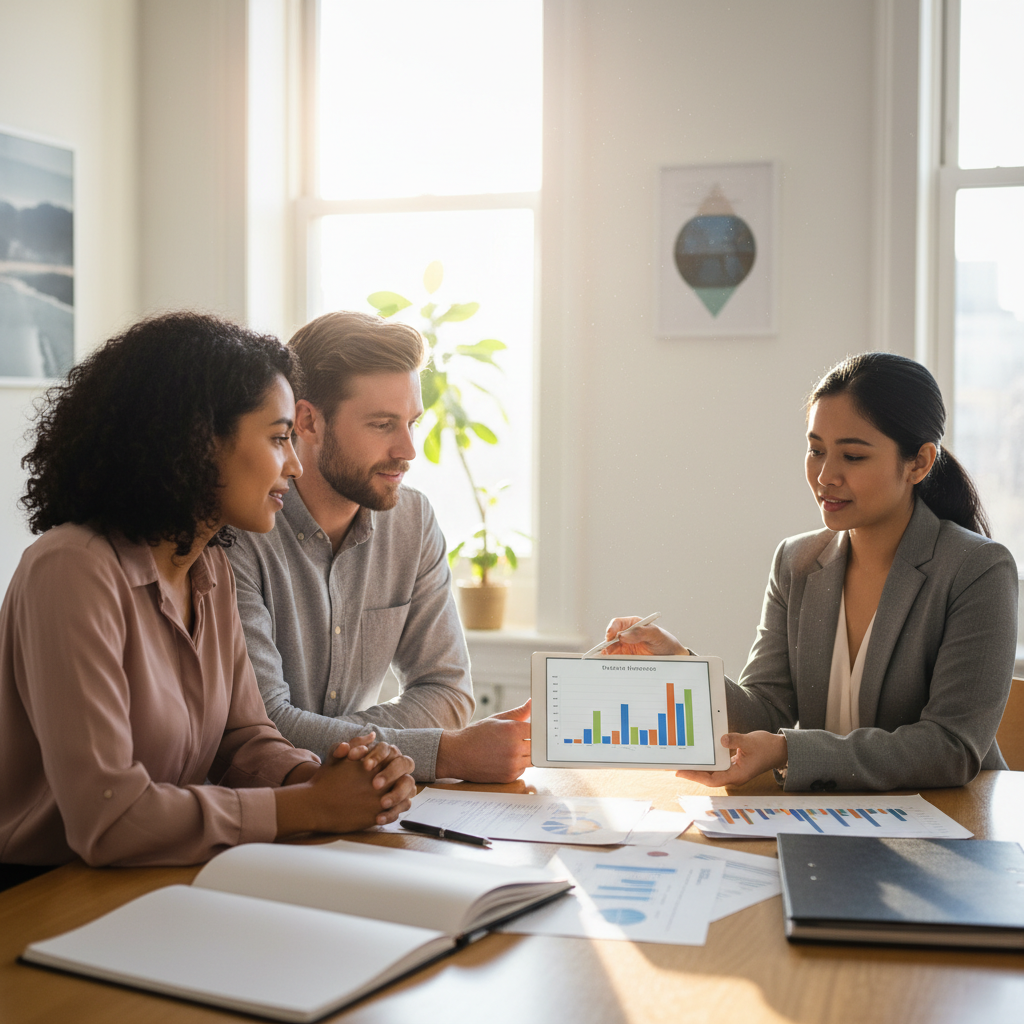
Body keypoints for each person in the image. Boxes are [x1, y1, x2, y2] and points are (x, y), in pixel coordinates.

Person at [0, 312, 416, 887]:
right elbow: (109, 818)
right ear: (198, 441)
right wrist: (310, 807)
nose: (294, 466)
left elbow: (241, 739)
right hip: (40, 891)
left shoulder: (208, 564)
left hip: (154, 877)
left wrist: (321, 776)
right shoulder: (71, 569)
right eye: (277, 439)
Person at [606, 352, 1018, 792]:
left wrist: (790, 752)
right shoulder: (796, 561)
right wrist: (679, 663)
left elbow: (950, 748)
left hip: (951, 827)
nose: (825, 476)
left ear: (918, 462)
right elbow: (766, 709)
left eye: (853, 457)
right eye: (816, 450)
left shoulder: (978, 570)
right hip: (830, 820)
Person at [226, 311, 531, 785]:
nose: (408, 449)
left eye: (411, 422)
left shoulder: (412, 520)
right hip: (258, 815)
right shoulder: (238, 532)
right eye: (383, 424)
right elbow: (264, 727)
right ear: (307, 421)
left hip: (364, 808)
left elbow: (448, 694)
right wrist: (440, 754)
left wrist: (334, 741)